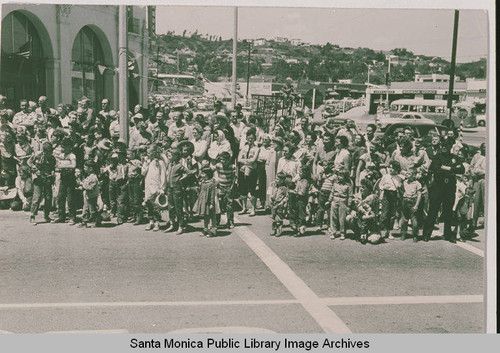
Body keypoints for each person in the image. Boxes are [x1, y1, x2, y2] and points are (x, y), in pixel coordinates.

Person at [422, 141, 465, 243]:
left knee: (448, 211)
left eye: (447, 146)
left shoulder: (454, 157)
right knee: (433, 210)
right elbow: (436, 169)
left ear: (450, 147)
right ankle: (427, 234)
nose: (444, 147)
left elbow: (462, 170)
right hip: (438, 186)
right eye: (443, 146)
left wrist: (446, 168)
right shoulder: (437, 157)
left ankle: (448, 234)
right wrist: (453, 170)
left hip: (450, 187)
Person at [28, 141, 56, 224]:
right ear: (44, 151)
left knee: (48, 197)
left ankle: (46, 215)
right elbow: (29, 162)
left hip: (47, 178)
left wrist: (53, 172)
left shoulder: (52, 158)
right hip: (38, 178)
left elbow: (53, 167)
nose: (49, 154)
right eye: (48, 152)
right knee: (37, 197)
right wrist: (35, 169)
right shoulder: (38, 155)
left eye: (51, 152)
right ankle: (32, 216)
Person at [52, 138, 77, 225]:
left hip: (70, 178)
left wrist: (63, 166)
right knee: (60, 197)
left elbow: (73, 165)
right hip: (63, 177)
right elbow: (57, 164)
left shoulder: (72, 155)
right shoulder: (62, 155)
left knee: (70, 199)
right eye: (64, 146)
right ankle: (61, 216)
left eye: (67, 146)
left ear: (70, 147)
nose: (65, 148)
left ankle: (72, 217)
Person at [142, 145, 166, 232]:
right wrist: (146, 163)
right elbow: (143, 173)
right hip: (148, 185)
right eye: (147, 153)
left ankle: (157, 222)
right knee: (149, 204)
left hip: (156, 185)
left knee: (156, 205)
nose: (148, 154)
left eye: (150, 152)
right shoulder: (148, 161)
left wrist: (162, 187)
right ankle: (151, 221)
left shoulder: (160, 162)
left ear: (155, 152)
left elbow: (163, 175)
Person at [237, 129, 260, 216]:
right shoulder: (244, 148)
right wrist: (247, 161)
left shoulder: (257, 148)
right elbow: (239, 159)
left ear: (254, 139)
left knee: (252, 188)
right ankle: (244, 207)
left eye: (252, 138)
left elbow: (254, 160)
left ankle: (253, 208)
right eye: (248, 138)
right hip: (243, 170)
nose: (250, 140)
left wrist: (245, 160)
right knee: (243, 188)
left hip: (252, 170)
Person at [378, 160, 402, 239]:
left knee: (392, 215)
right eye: (390, 168)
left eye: (393, 168)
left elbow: (400, 187)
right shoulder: (385, 176)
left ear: (397, 169)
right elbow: (380, 185)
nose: (391, 170)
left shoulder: (399, 178)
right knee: (384, 214)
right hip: (386, 195)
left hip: (394, 195)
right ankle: (381, 231)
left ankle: (390, 232)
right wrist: (384, 187)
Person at [193, 166, 220, 237]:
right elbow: (201, 192)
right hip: (203, 201)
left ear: (208, 174)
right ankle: (205, 229)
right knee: (205, 215)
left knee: (212, 215)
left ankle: (213, 230)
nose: (201, 175)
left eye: (203, 174)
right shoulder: (203, 182)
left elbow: (212, 194)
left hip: (209, 202)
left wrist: (211, 203)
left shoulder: (211, 183)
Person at [400, 167, 422, 242]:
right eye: (406, 173)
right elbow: (401, 190)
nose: (407, 174)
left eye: (409, 173)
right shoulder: (404, 182)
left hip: (413, 201)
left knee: (414, 220)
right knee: (404, 219)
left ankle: (415, 235)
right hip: (405, 201)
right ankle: (403, 233)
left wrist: (416, 205)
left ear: (414, 175)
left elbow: (419, 195)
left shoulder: (417, 184)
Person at [215, 151, 236, 229]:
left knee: (229, 206)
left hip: (229, 187)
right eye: (221, 159)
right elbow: (216, 174)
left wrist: (231, 187)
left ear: (228, 160)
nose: (222, 161)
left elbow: (234, 178)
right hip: (220, 187)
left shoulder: (232, 167)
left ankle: (230, 221)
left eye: (223, 160)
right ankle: (217, 221)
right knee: (219, 205)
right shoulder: (218, 166)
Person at [77, 161, 101, 228]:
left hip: (92, 196)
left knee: (92, 210)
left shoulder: (93, 177)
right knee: (85, 209)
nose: (84, 169)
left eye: (85, 167)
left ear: (91, 168)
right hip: (88, 196)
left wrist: (82, 186)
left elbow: (90, 187)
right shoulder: (89, 176)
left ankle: (98, 221)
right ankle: (84, 222)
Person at [329, 169, 351, 240]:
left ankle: (342, 233)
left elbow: (350, 195)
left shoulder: (348, 185)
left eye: (341, 175)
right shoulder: (335, 184)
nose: (339, 177)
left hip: (343, 200)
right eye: (338, 175)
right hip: (335, 200)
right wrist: (329, 200)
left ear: (345, 177)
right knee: (333, 216)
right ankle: (333, 232)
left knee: (342, 218)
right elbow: (332, 192)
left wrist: (349, 205)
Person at [268, 172, 289, 237]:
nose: (276, 180)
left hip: (280, 204)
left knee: (279, 218)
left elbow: (286, 196)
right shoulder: (274, 185)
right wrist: (270, 199)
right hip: (273, 203)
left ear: (282, 180)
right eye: (276, 178)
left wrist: (282, 202)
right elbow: (269, 193)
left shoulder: (284, 188)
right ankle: (274, 230)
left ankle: (279, 230)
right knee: (273, 218)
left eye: (277, 179)